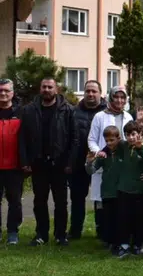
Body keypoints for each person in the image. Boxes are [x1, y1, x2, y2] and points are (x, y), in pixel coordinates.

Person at [18, 77, 78, 246]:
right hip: (38, 163)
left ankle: (60, 235)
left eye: (50, 87)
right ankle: (41, 234)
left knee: (61, 203)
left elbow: (74, 139)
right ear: (40, 89)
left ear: (56, 89)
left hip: (60, 164)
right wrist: (25, 161)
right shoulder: (29, 110)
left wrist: (70, 163)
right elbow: (22, 138)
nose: (46, 90)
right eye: (44, 87)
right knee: (39, 201)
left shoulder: (68, 110)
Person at [87, 86, 133, 243]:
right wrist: (99, 152)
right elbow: (92, 139)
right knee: (102, 199)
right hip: (104, 162)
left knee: (120, 200)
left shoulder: (128, 116)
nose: (119, 100)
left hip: (121, 164)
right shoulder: (100, 116)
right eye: (116, 97)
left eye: (122, 97)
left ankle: (119, 233)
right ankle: (102, 232)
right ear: (110, 98)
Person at [69, 80, 106, 240]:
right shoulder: (74, 112)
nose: (90, 94)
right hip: (79, 161)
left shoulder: (107, 112)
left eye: (94, 91)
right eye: (88, 91)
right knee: (77, 197)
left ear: (100, 93)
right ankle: (75, 230)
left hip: (101, 162)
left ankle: (101, 229)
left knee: (100, 197)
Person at [113, 121, 143, 258]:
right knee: (124, 218)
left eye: (133, 134)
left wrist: (140, 148)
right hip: (124, 189)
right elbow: (111, 145)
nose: (131, 137)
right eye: (127, 135)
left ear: (140, 134)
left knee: (138, 219)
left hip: (139, 190)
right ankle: (124, 244)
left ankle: (137, 244)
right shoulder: (123, 146)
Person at [0, 78, 22, 245]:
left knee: (14, 201)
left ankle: (13, 232)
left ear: (12, 93)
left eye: (6, 90)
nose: (3, 93)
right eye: (0, 90)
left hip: (15, 166)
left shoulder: (21, 113)